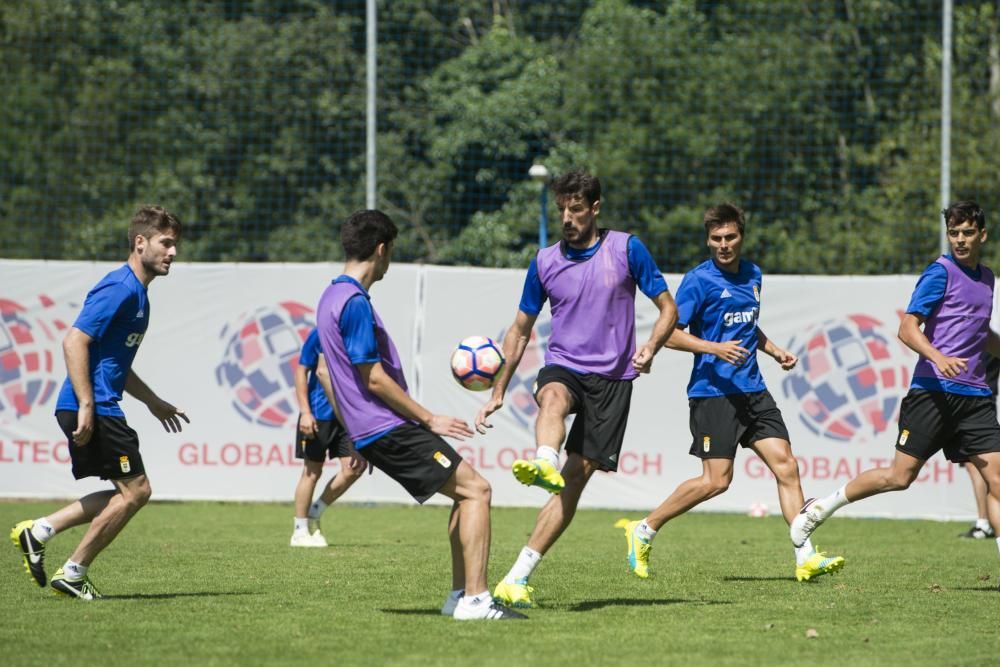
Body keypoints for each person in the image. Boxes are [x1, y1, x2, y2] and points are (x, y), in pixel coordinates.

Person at [476, 170, 679, 608]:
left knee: (572, 485)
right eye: (562, 209)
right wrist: (498, 389)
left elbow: (668, 308)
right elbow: (520, 329)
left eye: (577, 209)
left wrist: (651, 347)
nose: (568, 217)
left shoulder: (627, 249)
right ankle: (543, 458)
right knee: (552, 396)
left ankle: (516, 577)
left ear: (595, 208)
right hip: (565, 364)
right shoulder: (545, 261)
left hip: (613, 381)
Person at [613, 204, 845, 582]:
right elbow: (670, 334)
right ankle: (644, 529)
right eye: (716, 239)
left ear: (741, 236)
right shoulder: (698, 281)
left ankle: (805, 556)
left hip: (752, 389)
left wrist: (775, 351)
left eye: (730, 237)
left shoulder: (753, 274)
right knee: (716, 481)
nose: (723, 245)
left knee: (786, 465)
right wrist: (714, 348)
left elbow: (748, 327)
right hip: (712, 392)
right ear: (708, 240)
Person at [316, 209, 525, 620]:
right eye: (391, 250)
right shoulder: (354, 302)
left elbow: (325, 371)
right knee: (477, 491)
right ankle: (478, 600)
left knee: (465, 495)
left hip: (371, 429)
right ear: (381, 249)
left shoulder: (330, 296)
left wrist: (353, 430)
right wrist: (428, 418)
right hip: (388, 426)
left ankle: (459, 596)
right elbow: (372, 378)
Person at [792, 201, 1000, 567]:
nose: (961, 240)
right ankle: (819, 508)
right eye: (954, 233)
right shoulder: (940, 273)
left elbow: (980, 335)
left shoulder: (987, 279)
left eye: (968, 232)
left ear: (982, 235)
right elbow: (907, 329)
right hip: (933, 393)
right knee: (898, 477)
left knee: (997, 480)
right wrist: (938, 357)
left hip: (976, 396)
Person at [10, 206, 189, 600]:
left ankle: (38, 532)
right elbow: (74, 340)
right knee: (137, 491)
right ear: (140, 242)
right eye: (166, 243)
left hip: (95, 403)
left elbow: (116, 365)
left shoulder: (138, 295)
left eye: (175, 244)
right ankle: (73, 572)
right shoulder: (120, 287)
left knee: (126, 493)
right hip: (93, 406)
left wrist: (153, 401)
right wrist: (88, 404)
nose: (173, 252)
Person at [290, 327, 365, 547]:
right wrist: (305, 412)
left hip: (347, 417)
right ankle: (299, 530)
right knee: (312, 471)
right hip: (318, 414)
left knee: (355, 468)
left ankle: (315, 513)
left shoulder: (361, 333)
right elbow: (301, 370)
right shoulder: (320, 333)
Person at [957, 355, 1000, 539]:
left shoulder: (982, 336)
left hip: (976, 403)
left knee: (983, 469)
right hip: (974, 400)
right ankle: (984, 522)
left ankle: (984, 523)